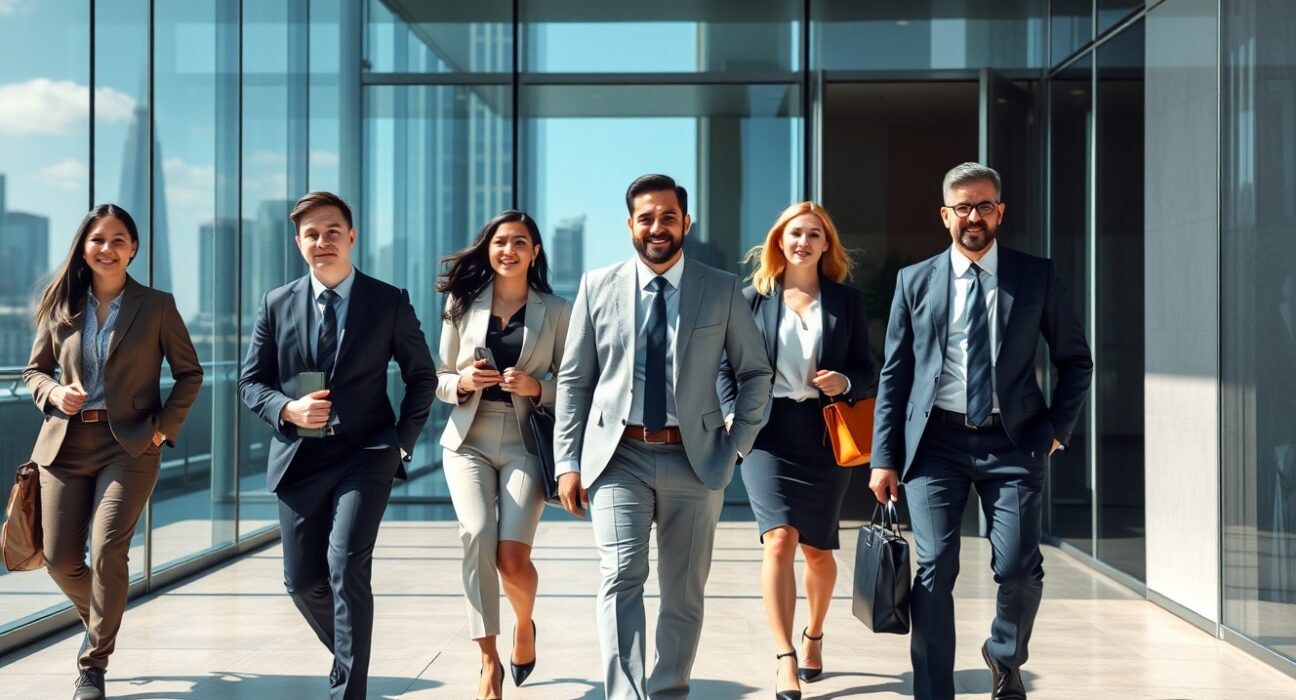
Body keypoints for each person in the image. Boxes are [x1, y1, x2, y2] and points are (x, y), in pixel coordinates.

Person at [869, 163, 1092, 700]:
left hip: (1013, 442)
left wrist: (1055, 430)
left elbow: (1075, 360)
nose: (974, 216)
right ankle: (932, 690)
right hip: (935, 444)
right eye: (963, 207)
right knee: (934, 567)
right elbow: (894, 374)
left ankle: (1004, 653)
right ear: (945, 215)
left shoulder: (1034, 275)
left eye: (984, 206)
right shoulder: (914, 281)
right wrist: (884, 457)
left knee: (1017, 567)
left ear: (1001, 212)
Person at [554, 173, 773, 699]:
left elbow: (755, 373)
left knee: (682, 593)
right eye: (646, 218)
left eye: (667, 217)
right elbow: (574, 379)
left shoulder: (719, 288)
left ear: (685, 223)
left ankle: (669, 690)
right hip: (617, 456)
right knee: (620, 575)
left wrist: (738, 441)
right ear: (630, 224)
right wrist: (568, 461)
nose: (657, 227)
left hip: (695, 459)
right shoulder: (596, 285)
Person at [238, 191, 437, 700]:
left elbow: (421, 376)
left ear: (351, 237)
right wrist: (288, 409)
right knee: (302, 582)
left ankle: (349, 688)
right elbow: (249, 383)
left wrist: (400, 445)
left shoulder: (387, 300)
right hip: (299, 457)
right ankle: (350, 655)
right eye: (311, 234)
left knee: (346, 566)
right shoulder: (275, 303)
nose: (322, 241)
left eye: (332, 231)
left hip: (365, 454)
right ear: (298, 242)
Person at [23, 204, 203, 700]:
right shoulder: (61, 303)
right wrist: (55, 393)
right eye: (98, 239)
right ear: (84, 247)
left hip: (130, 445)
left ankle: (92, 665)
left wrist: (161, 430)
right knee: (59, 559)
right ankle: (102, 619)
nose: (108, 248)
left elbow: (191, 373)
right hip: (65, 445)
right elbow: (34, 371)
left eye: (119, 239)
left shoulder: (157, 305)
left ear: (134, 248)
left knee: (107, 551)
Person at [717, 201, 874, 700]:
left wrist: (844, 380)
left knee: (819, 552)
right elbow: (725, 366)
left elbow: (869, 369)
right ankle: (785, 656)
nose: (802, 242)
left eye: (813, 234)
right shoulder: (749, 299)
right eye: (793, 234)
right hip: (766, 431)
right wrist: (729, 412)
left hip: (825, 432)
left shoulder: (846, 302)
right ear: (778, 243)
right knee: (779, 539)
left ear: (826, 244)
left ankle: (814, 634)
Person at [435, 210, 571, 699]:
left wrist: (537, 386)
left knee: (511, 560)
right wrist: (463, 382)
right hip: (467, 439)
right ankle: (488, 662)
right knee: (475, 534)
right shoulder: (460, 303)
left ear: (535, 252)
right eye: (499, 242)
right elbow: (439, 378)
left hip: (525, 442)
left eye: (519, 242)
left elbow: (575, 384)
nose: (508, 250)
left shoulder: (557, 310)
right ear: (488, 250)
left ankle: (523, 625)